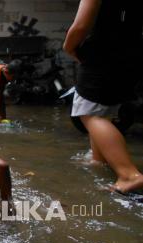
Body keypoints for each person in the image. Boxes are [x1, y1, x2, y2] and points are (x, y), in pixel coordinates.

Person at [63, 0, 143, 193]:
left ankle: (129, 175)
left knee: (89, 113)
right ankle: (98, 159)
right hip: (132, 53)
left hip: (102, 52)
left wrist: (68, 47)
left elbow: (81, 25)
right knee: (102, 110)